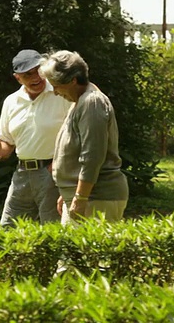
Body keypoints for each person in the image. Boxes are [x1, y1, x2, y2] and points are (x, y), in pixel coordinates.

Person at [0, 49, 72, 226]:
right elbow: (7, 141)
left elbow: (76, 132)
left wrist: (59, 162)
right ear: (17, 78)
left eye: (38, 70)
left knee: (53, 229)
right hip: (22, 173)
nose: (35, 77)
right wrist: (2, 150)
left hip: (52, 171)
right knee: (9, 227)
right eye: (27, 74)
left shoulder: (61, 94)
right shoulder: (11, 101)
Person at [38, 50, 128, 225]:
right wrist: (67, 193)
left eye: (56, 86)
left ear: (72, 81)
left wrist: (80, 196)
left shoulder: (91, 103)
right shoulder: (79, 101)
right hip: (81, 196)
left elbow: (92, 156)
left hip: (96, 197)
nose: (55, 92)